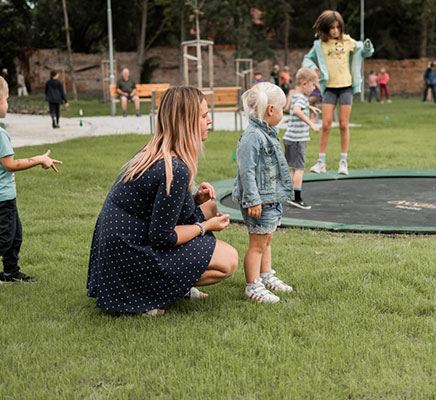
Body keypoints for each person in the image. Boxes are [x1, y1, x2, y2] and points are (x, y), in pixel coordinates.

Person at [87, 86, 238, 316]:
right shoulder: (175, 168)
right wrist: (205, 227)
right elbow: (163, 237)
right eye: (204, 115)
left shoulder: (155, 149)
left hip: (120, 247)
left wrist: (196, 199)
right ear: (187, 121)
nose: (210, 120)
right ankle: (144, 297)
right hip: (131, 252)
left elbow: (160, 208)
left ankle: (172, 287)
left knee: (209, 206)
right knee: (228, 260)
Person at [232, 82, 293, 303]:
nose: (282, 113)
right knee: (257, 245)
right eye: (282, 109)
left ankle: (265, 276)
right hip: (258, 200)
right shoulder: (253, 136)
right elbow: (246, 171)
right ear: (271, 110)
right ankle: (252, 285)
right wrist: (253, 200)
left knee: (266, 240)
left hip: (270, 198)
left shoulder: (267, 133)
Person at [0, 76, 63, 283]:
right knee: (5, 239)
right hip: (3, 199)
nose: (7, 104)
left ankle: (10, 273)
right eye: (6, 99)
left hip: (8, 197)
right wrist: (38, 159)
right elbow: (10, 165)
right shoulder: (1, 134)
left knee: (15, 236)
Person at [303, 10, 374, 175]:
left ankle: (343, 162)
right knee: (326, 125)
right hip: (329, 88)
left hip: (346, 87)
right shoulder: (319, 45)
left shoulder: (348, 41)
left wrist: (368, 46)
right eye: (332, 28)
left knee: (343, 124)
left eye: (337, 27)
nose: (335, 31)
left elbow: (364, 50)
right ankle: (321, 162)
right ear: (325, 29)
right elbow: (307, 59)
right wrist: (314, 69)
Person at [283, 68, 320, 210]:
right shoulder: (300, 97)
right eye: (313, 85)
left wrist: (310, 107)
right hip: (297, 139)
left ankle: (292, 194)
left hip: (290, 138)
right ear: (305, 84)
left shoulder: (297, 95)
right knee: (299, 169)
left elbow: (298, 106)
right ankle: (297, 199)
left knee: (294, 168)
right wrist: (311, 123)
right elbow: (297, 110)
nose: (314, 88)